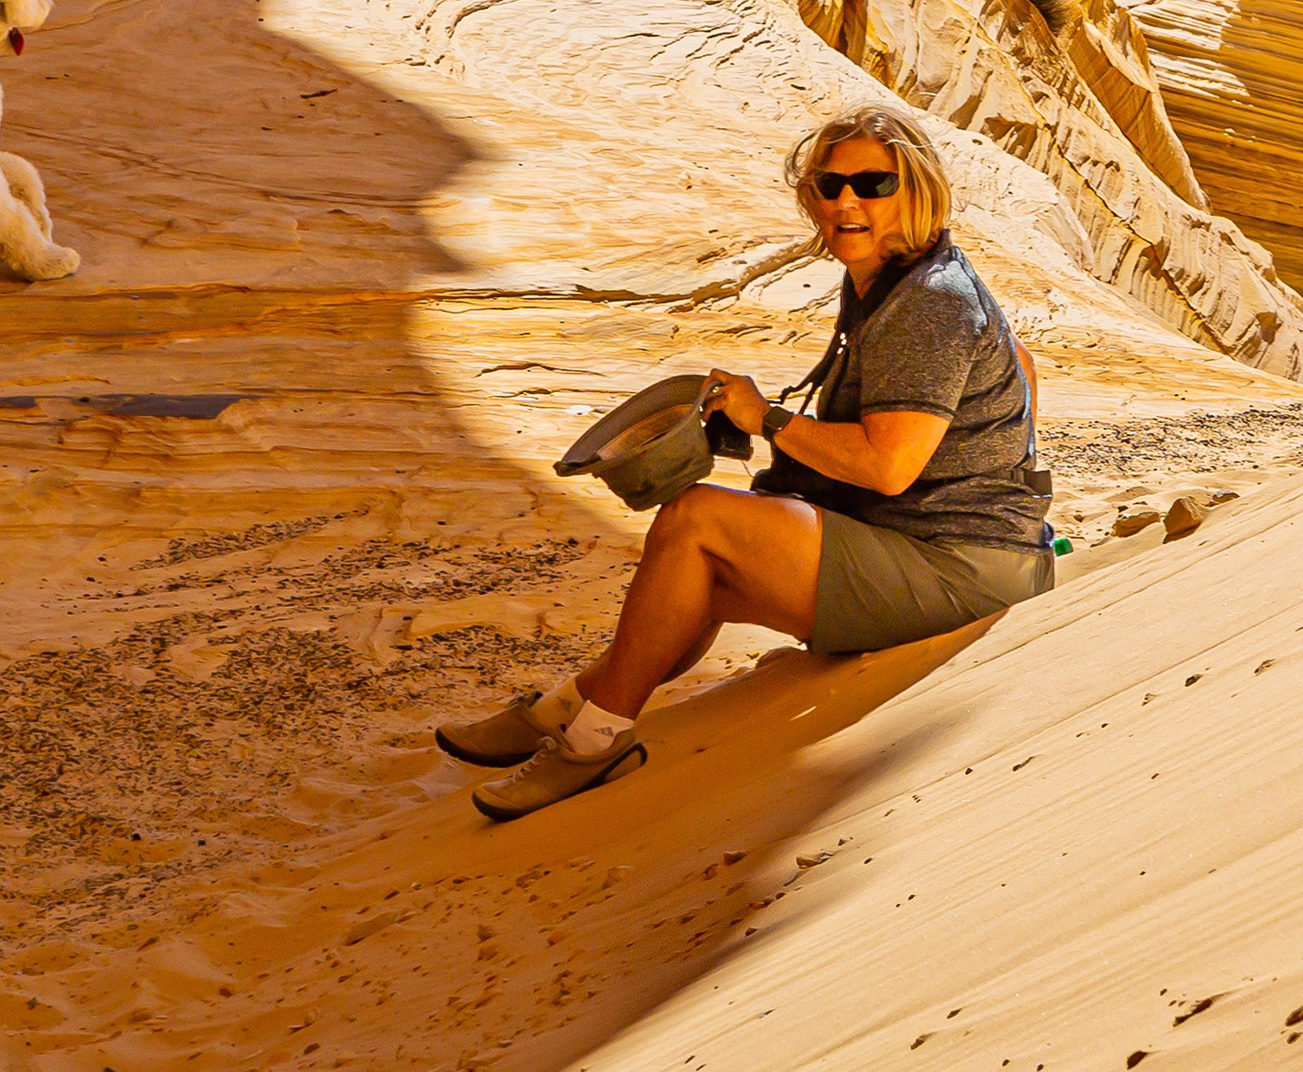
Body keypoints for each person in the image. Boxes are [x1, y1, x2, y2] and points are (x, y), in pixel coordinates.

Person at [439, 102, 1054, 820]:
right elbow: (1021, 365)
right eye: (829, 186)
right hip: (952, 549)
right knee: (701, 576)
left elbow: (889, 469)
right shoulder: (892, 283)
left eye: (872, 185)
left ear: (915, 191)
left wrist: (768, 418)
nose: (846, 201)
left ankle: (589, 744)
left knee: (697, 521)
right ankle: (568, 711)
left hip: (964, 568)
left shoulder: (928, 301)